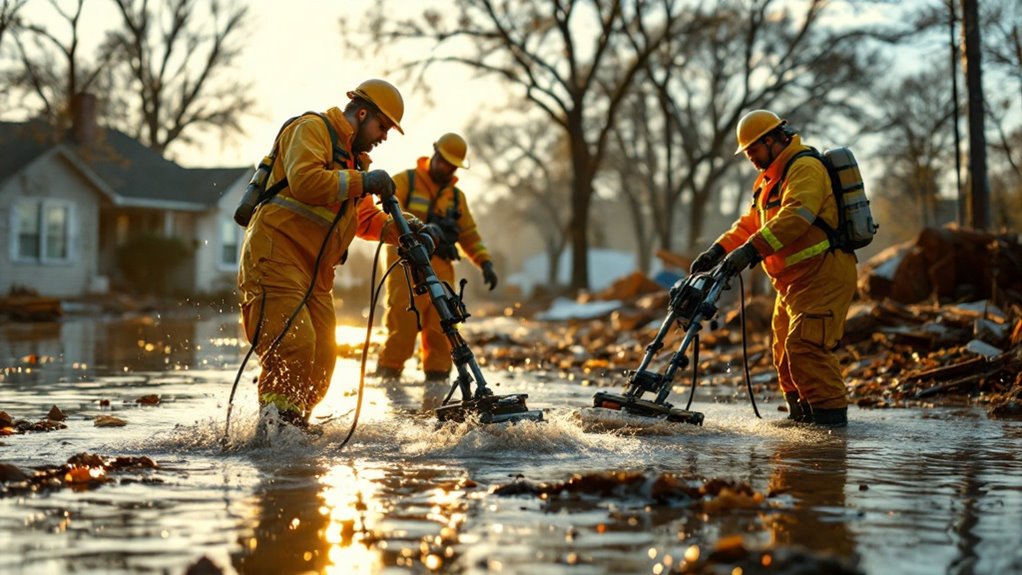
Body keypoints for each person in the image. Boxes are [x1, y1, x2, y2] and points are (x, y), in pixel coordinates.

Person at [237, 78, 418, 430]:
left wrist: (408, 230)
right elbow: (305, 181)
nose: (383, 137)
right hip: (275, 257)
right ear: (362, 113)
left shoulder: (354, 162)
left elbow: (365, 220)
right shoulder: (312, 128)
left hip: (315, 275)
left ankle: (295, 429)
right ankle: (275, 431)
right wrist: (365, 182)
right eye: (382, 127)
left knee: (323, 357)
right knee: (294, 344)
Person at [690, 110, 857, 428]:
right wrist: (717, 251)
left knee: (806, 348)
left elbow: (796, 216)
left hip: (823, 273)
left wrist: (751, 251)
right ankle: (802, 425)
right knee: (783, 356)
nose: (750, 157)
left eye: (753, 149)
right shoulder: (768, 181)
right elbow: (749, 224)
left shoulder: (805, 168)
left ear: (771, 140)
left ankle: (831, 432)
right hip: (791, 284)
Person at [374, 133, 498, 385]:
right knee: (404, 321)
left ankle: (437, 380)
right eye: (443, 161)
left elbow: (469, 233)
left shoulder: (456, 197)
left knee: (443, 324)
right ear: (434, 153)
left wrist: (485, 262)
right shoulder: (405, 181)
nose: (445, 168)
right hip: (404, 266)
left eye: (451, 166)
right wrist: (424, 230)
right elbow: (383, 215)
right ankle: (388, 375)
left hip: (440, 267)